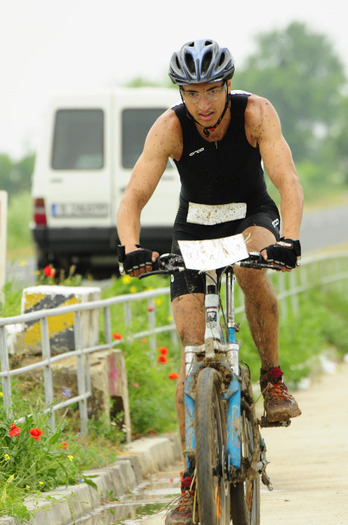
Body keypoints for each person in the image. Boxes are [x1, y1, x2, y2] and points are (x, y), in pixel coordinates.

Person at [117, 39, 303, 525]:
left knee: (250, 268)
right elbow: (134, 194)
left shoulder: (256, 114)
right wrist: (130, 245)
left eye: (212, 91)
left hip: (251, 216)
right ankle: (190, 481)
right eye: (191, 93)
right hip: (194, 227)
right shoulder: (169, 128)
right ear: (181, 92)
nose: (203, 104)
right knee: (191, 352)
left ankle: (273, 380)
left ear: (227, 85)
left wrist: (292, 240)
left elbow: (287, 180)